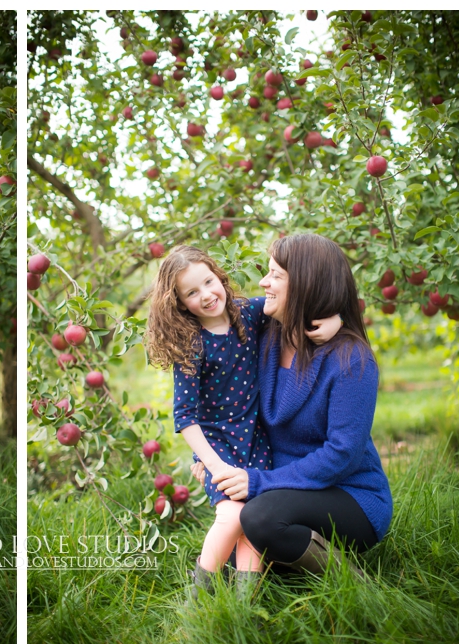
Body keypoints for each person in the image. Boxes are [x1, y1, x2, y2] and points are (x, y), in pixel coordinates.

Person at [144, 245, 341, 597]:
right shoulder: (192, 346)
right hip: (218, 445)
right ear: (179, 304)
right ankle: (197, 598)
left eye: (208, 282)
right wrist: (211, 463)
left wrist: (335, 318)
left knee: (251, 519)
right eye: (192, 292)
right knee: (231, 517)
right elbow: (186, 416)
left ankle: (244, 603)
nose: (206, 295)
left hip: (254, 439)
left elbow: (293, 305)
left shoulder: (247, 314)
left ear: (219, 277)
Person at [207, 233, 393, 578]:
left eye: (276, 275)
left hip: (349, 494)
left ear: (306, 284)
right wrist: (206, 456)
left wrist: (260, 482)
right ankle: (293, 553)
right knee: (233, 559)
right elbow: (227, 405)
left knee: (259, 519)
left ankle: (353, 582)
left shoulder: (350, 359)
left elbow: (343, 454)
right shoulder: (263, 338)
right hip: (283, 487)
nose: (264, 281)